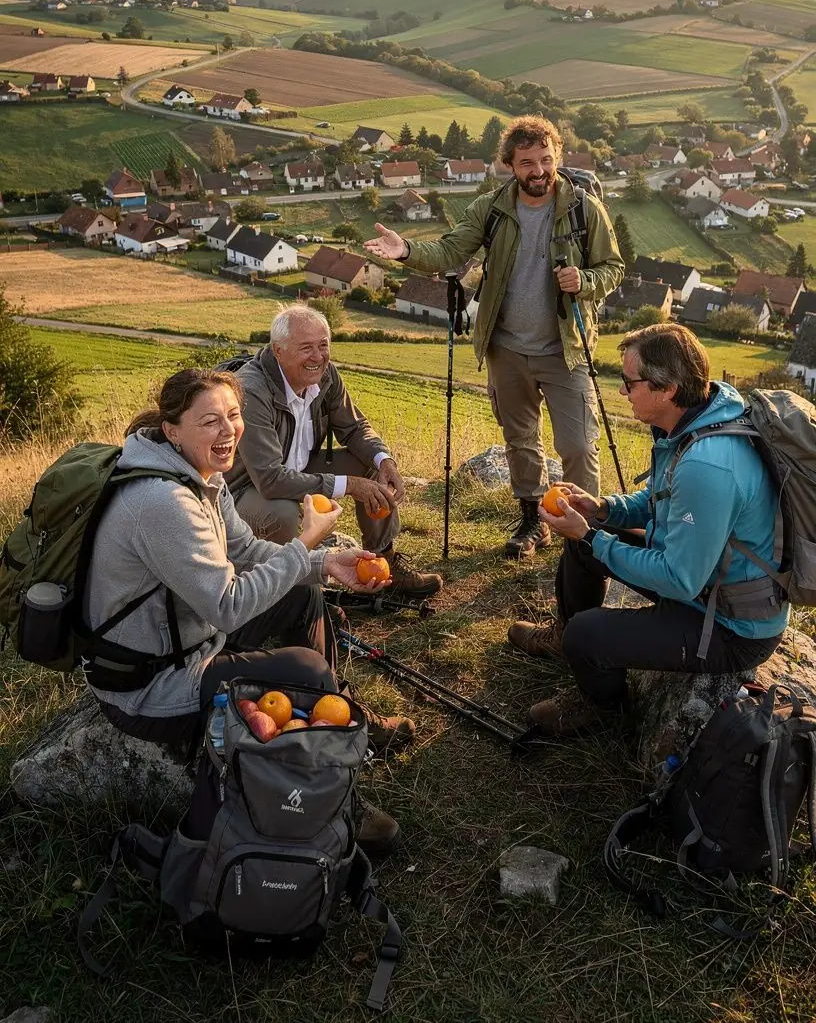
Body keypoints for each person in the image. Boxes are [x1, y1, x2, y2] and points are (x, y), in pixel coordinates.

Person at [84, 367, 405, 850]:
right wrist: (306, 543)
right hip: (150, 684)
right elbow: (230, 606)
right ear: (173, 429)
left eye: (233, 416)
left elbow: (248, 552)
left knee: (302, 595)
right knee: (306, 672)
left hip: (193, 640)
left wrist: (324, 563)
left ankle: (331, 717)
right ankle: (332, 797)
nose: (228, 430)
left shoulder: (200, 476)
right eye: (209, 420)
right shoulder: (162, 499)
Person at [508, 323, 788, 737]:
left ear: (668, 388)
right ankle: (565, 637)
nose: (622, 391)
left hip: (730, 625)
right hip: (705, 585)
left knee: (587, 631)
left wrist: (590, 534)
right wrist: (602, 509)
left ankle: (601, 705)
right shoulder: (697, 420)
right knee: (583, 549)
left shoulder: (709, 464)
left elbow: (679, 579)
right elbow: (659, 500)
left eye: (629, 382)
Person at [364, 115, 623, 558]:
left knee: (578, 444)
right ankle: (533, 523)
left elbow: (613, 268)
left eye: (545, 160)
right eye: (527, 163)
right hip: (507, 347)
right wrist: (405, 250)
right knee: (520, 439)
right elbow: (449, 250)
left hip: (567, 347)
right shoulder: (492, 208)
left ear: (556, 158)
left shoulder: (583, 209)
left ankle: (583, 534)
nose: (538, 171)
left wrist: (585, 280)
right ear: (509, 165)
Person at [226, 304, 442, 598]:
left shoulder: (325, 376)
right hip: (247, 487)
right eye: (305, 348)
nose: (318, 357)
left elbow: (354, 428)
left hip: (300, 468)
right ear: (278, 351)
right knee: (283, 514)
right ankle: (291, 591)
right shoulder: (252, 390)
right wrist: (349, 486)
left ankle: (382, 562)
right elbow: (270, 479)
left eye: (323, 345)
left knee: (369, 466)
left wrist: (384, 459)